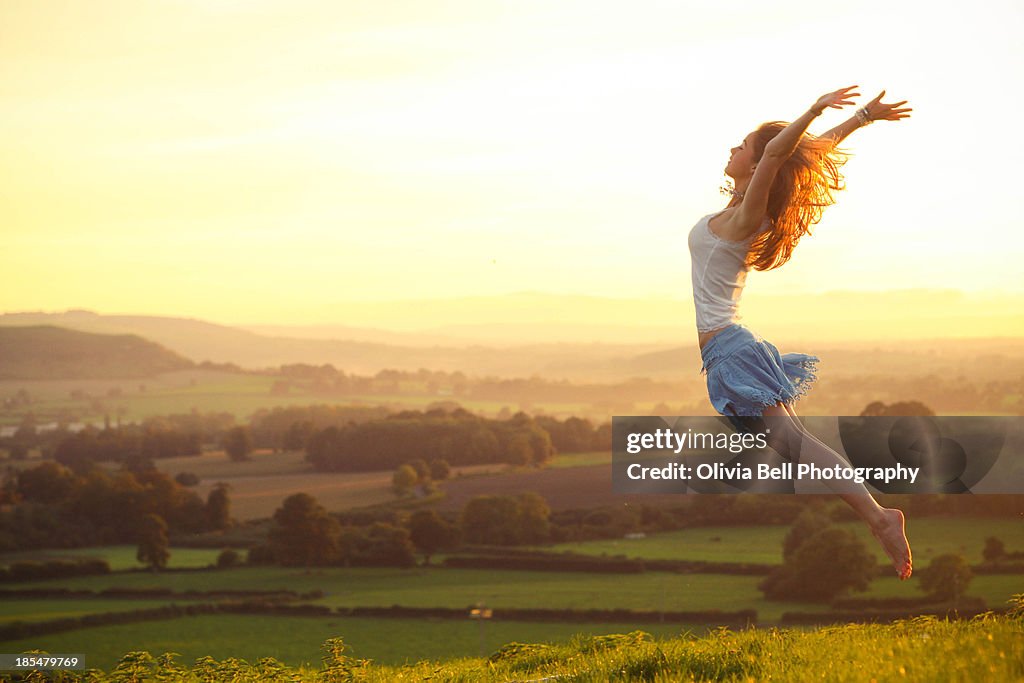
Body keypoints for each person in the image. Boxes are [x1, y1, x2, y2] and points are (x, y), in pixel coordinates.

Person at [688, 86, 914, 579]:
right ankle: (878, 517)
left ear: (756, 163)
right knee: (795, 446)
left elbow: (780, 153)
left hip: (732, 351)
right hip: (730, 349)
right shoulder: (738, 210)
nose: (733, 150)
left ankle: (880, 518)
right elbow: (800, 157)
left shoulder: (748, 216)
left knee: (798, 446)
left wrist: (813, 110)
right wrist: (859, 119)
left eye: (741, 146)